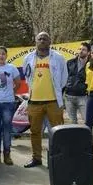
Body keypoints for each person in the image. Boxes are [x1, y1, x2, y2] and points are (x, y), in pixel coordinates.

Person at [22, 32, 67, 168]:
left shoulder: (58, 58)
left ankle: (58, 158)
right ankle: (36, 158)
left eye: (45, 39)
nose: (42, 40)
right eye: (39, 39)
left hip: (53, 101)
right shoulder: (28, 58)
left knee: (58, 131)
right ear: (35, 41)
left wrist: (58, 91)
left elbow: (64, 77)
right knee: (35, 132)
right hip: (34, 101)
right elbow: (27, 74)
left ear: (49, 41)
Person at [64, 42, 90, 124]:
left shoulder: (91, 64)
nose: (81, 51)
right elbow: (64, 78)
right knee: (73, 123)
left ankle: (89, 137)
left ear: (88, 52)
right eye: (80, 49)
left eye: (84, 50)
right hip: (69, 97)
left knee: (88, 122)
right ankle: (75, 137)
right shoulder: (70, 62)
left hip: (83, 97)